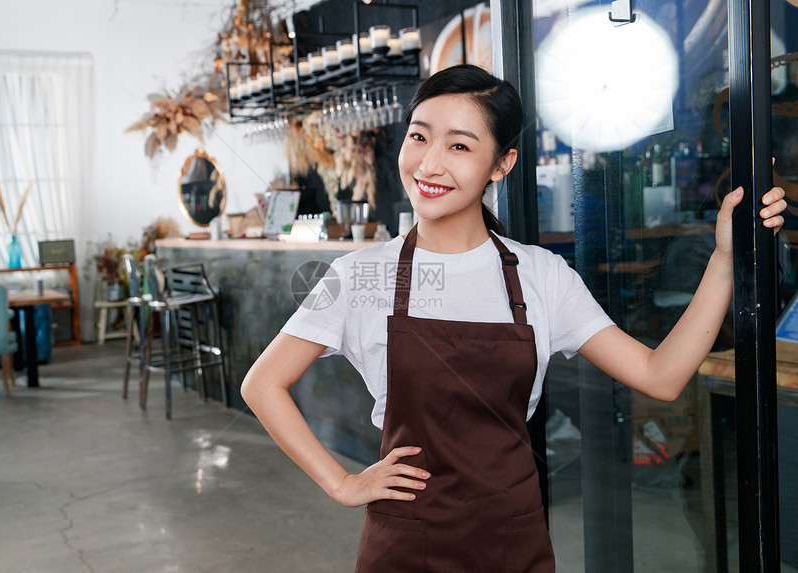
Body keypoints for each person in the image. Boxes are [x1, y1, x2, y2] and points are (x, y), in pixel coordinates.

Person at [240, 65, 786, 571]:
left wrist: (722, 262)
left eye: (459, 145)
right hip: (405, 542)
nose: (430, 163)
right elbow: (262, 384)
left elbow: (660, 377)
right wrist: (341, 483)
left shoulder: (541, 276)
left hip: (512, 538)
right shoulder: (361, 276)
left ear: (503, 163)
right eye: (419, 135)